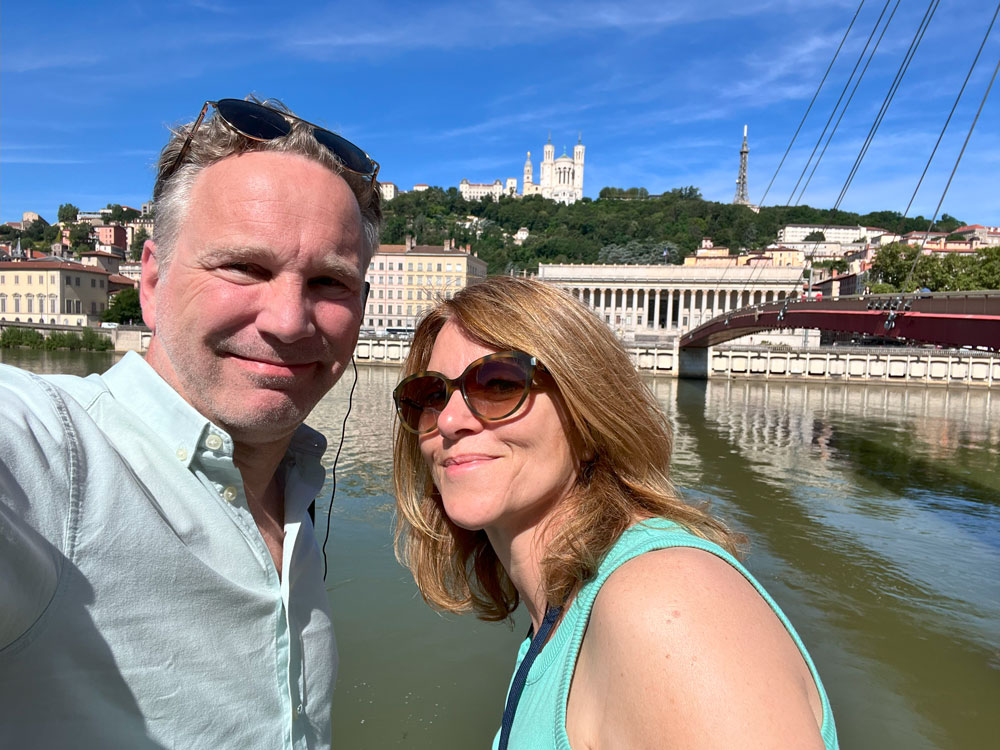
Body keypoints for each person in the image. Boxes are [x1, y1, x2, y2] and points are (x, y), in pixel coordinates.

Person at [0, 97, 381, 748]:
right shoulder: (53, 455)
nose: (289, 320)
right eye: (245, 267)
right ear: (151, 281)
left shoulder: (295, 488)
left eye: (328, 282)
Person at [392, 276, 838, 749]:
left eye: (499, 383)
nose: (448, 420)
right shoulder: (574, 610)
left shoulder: (667, 605)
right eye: (430, 395)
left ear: (589, 411)